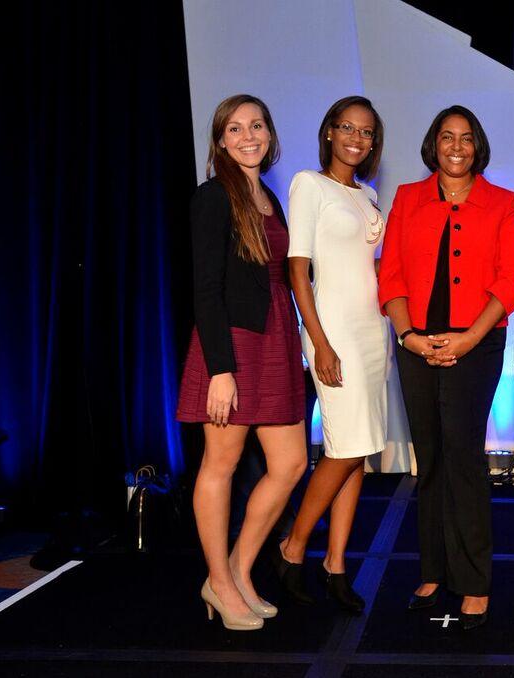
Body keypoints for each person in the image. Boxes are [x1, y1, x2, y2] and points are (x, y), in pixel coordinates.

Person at [377, 105, 514, 630]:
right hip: (414, 341)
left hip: (476, 344)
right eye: (447, 137)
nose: (456, 147)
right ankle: (433, 570)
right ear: (433, 144)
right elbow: (391, 273)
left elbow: (512, 277)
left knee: (463, 459)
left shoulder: (502, 202)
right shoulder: (407, 198)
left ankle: (474, 581)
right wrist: (408, 337)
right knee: (431, 457)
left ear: (477, 145)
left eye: (465, 138)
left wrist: (468, 339)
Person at [176, 94, 307, 631]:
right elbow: (206, 289)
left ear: (270, 134)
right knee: (221, 465)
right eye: (235, 128)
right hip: (230, 345)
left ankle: (236, 571)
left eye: (256, 126)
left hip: (274, 337)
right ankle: (220, 581)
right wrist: (220, 370)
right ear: (220, 140)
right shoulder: (213, 197)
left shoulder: (269, 196)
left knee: (291, 463)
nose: (247, 136)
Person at [269, 96, 388, 613]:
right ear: (329, 132)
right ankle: (293, 547)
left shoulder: (369, 194)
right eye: (347, 127)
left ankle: (336, 565)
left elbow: (367, 266)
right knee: (343, 448)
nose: (356, 138)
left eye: (366, 131)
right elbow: (298, 269)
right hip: (333, 329)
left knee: (358, 449)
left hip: (373, 330)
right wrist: (318, 340)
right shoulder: (308, 184)